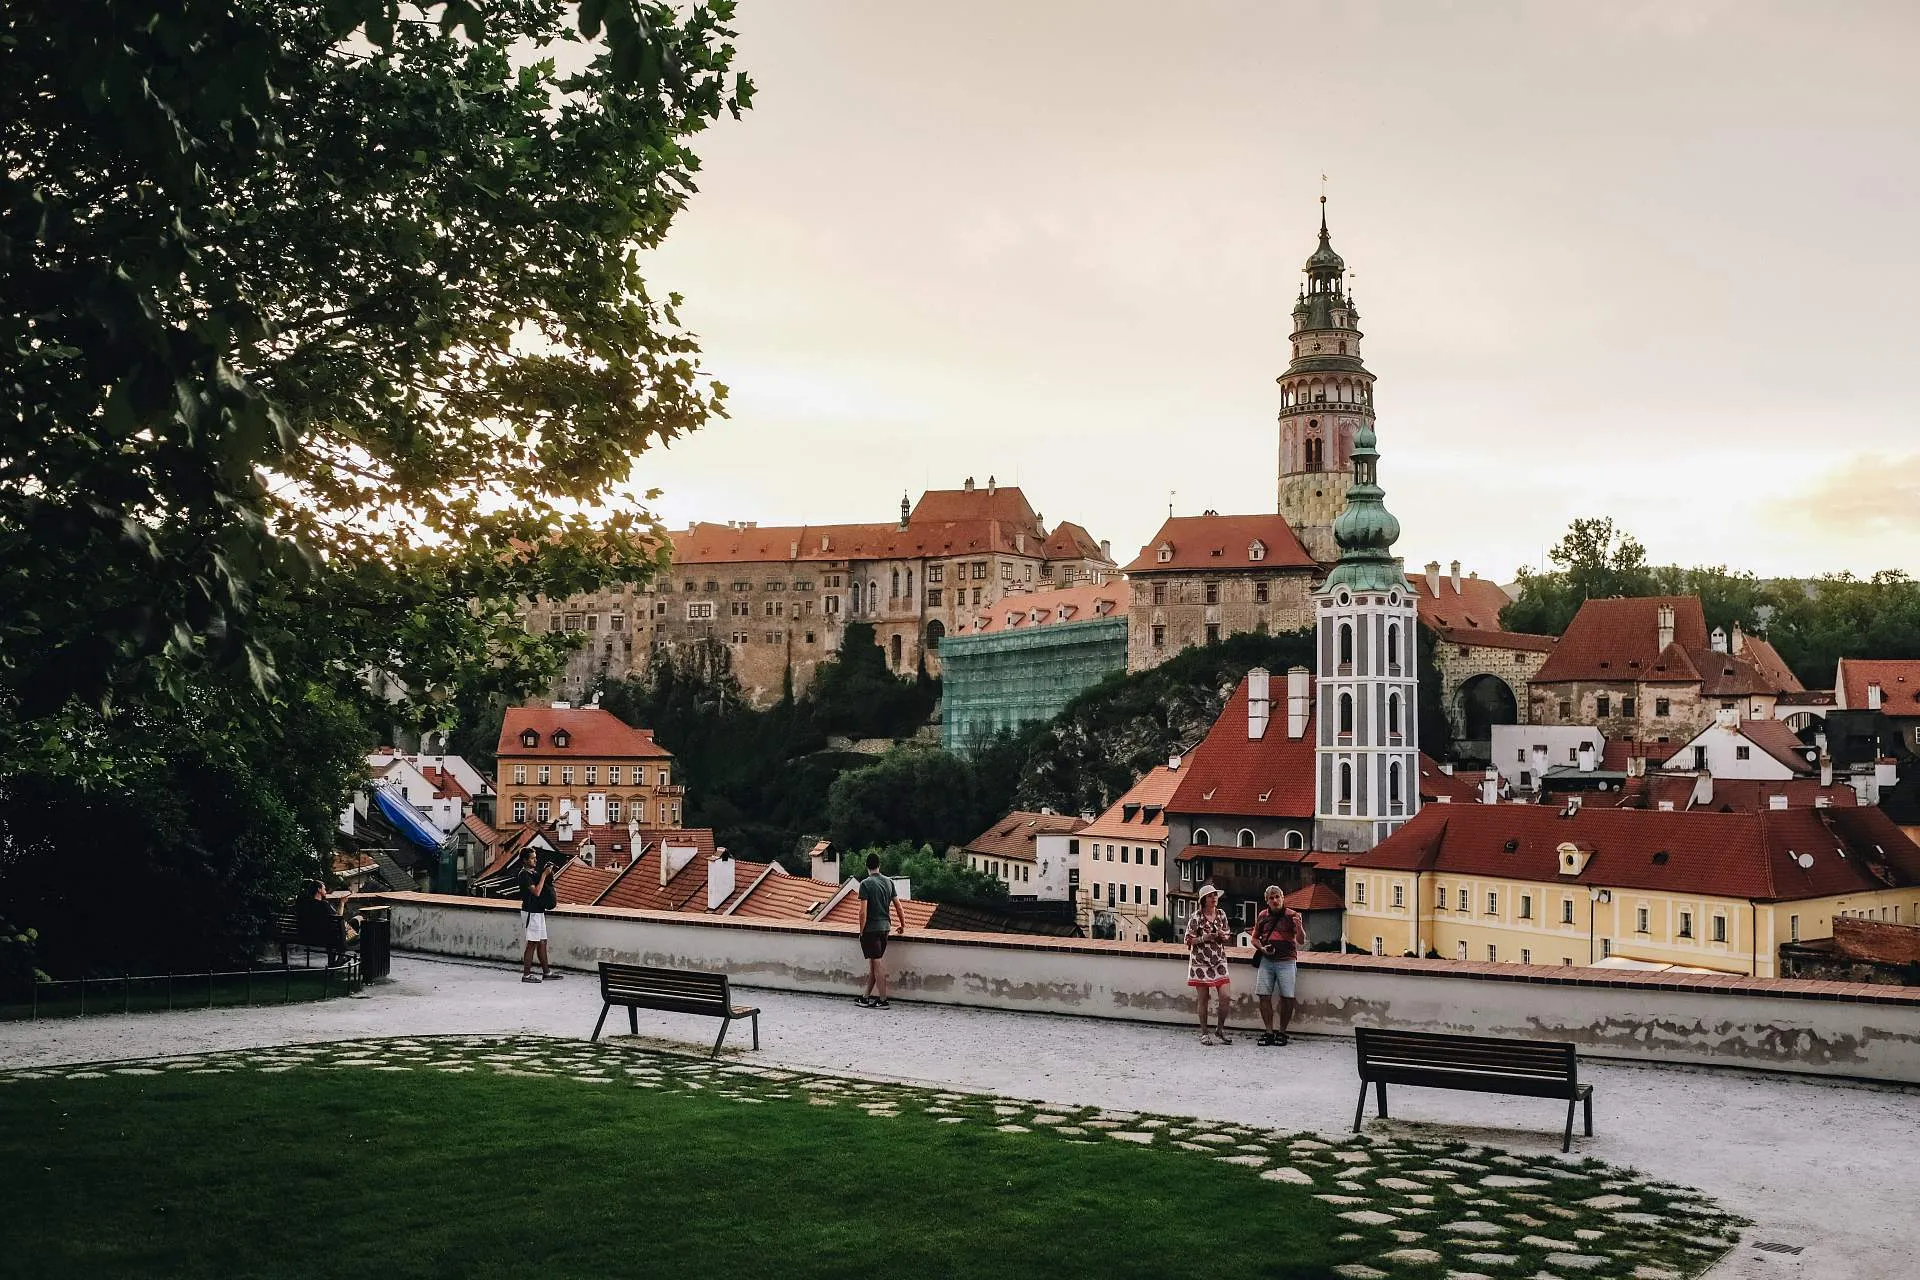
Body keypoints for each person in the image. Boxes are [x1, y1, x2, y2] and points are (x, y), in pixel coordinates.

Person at [1251, 885, 1306, 1046]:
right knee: (1263, 995)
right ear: (1267, 900)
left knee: (1287, 997)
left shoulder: (1292, 915)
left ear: (1283, 897)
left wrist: (1299, 926)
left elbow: (1301, 940)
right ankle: (1269, 1032)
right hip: (1267, 961)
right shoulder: (1263, 915)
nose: (1275, 900)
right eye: (1271, 898)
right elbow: (1254, 938)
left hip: (1287, 960)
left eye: (1277, 897)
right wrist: (1262, 949)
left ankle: (1282, 1032)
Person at [854, 853, 907, 1008]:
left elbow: (862, 912)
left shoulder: (865, 884)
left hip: (871, 930)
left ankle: (883, 1000)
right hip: (885, 929)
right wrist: (902, 924)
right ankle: (865, 997)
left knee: (877, 964)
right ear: (879, 865)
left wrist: (861, 931)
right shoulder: (889, 882)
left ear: (866, 866)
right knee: (874, 964)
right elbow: (898, 906)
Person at [1184, 883, 1233, 1044]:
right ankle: (1204, 1033)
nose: (1214, 898)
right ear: (1203, 900)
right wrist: (1204, 938)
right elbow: (1188, 939)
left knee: (1225, 996)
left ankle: (1220, 1029)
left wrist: (1222, 936)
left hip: (1218, 959)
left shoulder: (1221, 914)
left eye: (1215, 895)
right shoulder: (1196, 916)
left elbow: (1227, 934)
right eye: (1210, 896)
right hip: (1200, 961)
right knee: (1203, 998)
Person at [518, 853, 562, 983]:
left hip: (538, 911)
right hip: (531, 912)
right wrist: (543, 875)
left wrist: (547, 873)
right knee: (532, 943)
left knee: (542, 941)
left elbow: (545, 885)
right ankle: (526, 975)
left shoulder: (533, 873)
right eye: (532, 858)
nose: (535, 860)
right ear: (525, 860)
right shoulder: (524, 875)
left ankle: (546, 972)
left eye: (535, 857)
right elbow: (536, 892)